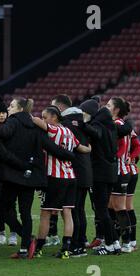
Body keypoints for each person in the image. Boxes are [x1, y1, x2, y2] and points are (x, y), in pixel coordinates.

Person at [0, 97, 76, 259]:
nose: (9, 109)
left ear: (19, 109)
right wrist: (69, 155)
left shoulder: (13, 121)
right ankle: (25, 248)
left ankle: (26, 236)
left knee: (2, 208)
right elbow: (50, 147)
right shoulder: (35, 126)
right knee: (26, 212)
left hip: (13, 175)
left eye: (11, 106)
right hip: (31, 177)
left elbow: (3, 133)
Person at [32, 106, 91, 259]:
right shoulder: (69, 132)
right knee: (67, 213)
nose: (44, 119)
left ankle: (38, 249)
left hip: (55, 178)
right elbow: (82, 149)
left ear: (54, 118)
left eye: (46, 117)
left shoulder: (54, 130)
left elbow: (36, 121)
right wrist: (90, 148)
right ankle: (66, 249)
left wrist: (26, 114)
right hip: (71, 177)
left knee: (45, 214)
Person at [79, 97, 132, 256]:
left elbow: (94, 132)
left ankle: (110, 243)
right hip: (111, 173)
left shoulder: (98, 126)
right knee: (106, 211)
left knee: (102, 211)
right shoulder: (113, 127)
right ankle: (115, 243)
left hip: (100, 174)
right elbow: (128, 128)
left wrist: (80, 124)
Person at [53, 95, 93, 257]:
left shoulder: (67, 124)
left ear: (61, 108)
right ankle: (81, 242)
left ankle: (76, 246)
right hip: (86, 171)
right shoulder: (82, 121)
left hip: (74, 171)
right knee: (79, 210)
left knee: (73, 211)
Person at [0, 96, 18, 246]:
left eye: (3, 112)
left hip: (10, 171)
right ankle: (0, 233)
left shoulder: (11, 127)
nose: (1, 115)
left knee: (11, 204)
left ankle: (13, 233)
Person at [108, 97, 133, 253]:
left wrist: (113, 157)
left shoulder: (117, 124)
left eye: (109, 105)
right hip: (118, 171)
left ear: (116, 109)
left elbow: (122, 147)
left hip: (119, 171)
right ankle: (115, 239)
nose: (106, 106)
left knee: (119, 207)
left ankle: (126, 242)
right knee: (111, 206)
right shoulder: (122, 124)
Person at [126, 130, 140, 251]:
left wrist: (130, 157)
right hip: (126, 171)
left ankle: (130, 241)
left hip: (128, 172)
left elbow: (138, 147)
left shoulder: (123, 128)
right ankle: (129, 241)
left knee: (125, 206)